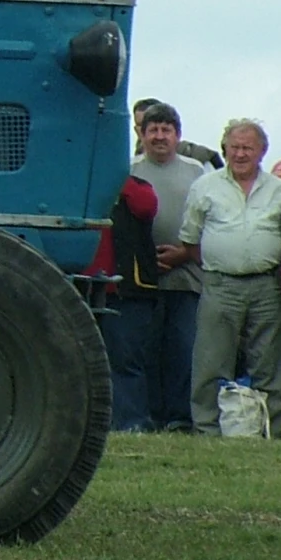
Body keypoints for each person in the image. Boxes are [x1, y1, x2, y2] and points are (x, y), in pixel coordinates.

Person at [177, 118, 281, 435]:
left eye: (248, 148)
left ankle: (269, 430)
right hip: (220, 284)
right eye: (234, 148)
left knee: (270, 362)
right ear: (225, 150)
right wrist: (220, 264)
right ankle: (207, 428)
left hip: (267, 285)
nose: (240, 154)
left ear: (262, 151)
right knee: (210, 361)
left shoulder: (280, 191)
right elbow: (190, 240)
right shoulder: (205, 187)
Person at [112, 103, 208, 431]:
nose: (159, 136)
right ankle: (147, 417)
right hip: (142, 279)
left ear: (178, 135)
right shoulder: (127, 169)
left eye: (166, 130)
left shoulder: (197, 171)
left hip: (188, 275)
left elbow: (211, 218)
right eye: (152, 129)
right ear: (141, 134)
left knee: (183, 351)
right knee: (145, 351)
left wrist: (183, 252)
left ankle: (180, 419)